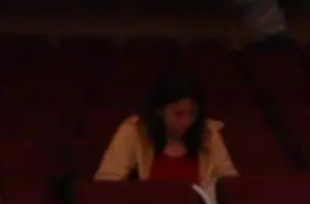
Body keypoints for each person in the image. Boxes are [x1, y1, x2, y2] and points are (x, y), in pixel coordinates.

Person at [95, 71, 238, 189]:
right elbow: (107, 183)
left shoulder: (208, 133)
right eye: (179, 114)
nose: (186, 122)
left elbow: (231, 182)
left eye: (192, 114)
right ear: (159, 111)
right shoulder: (133, 131)